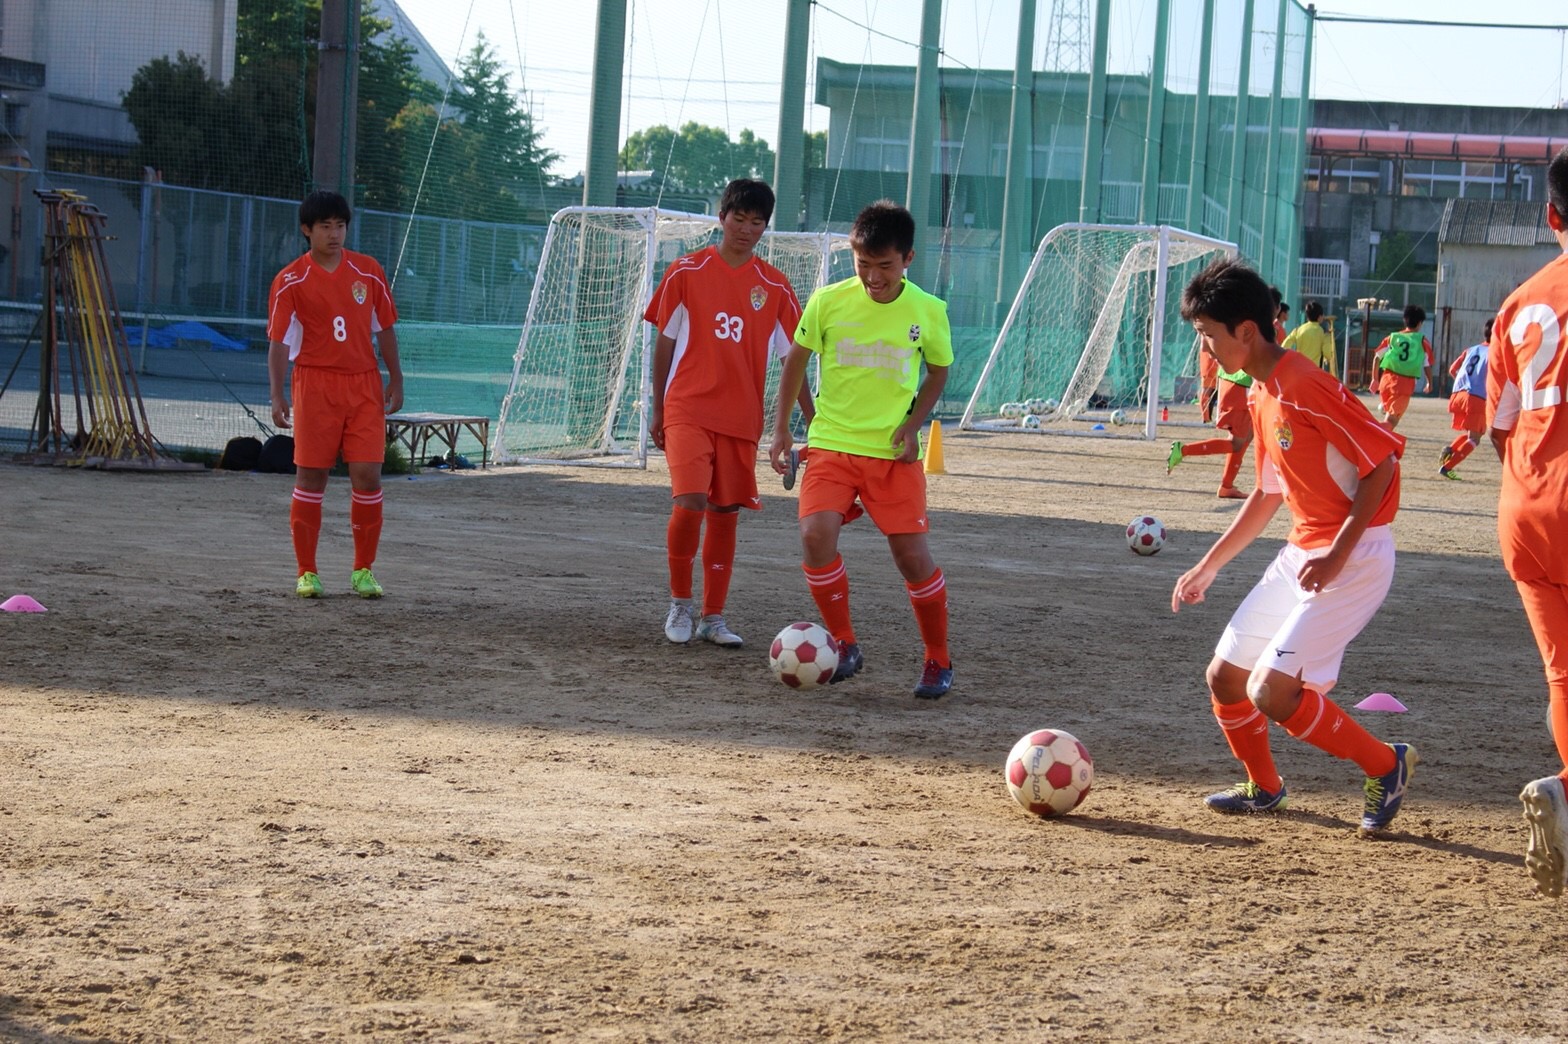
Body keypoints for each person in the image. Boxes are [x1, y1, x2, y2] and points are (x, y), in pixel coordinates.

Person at [1170, 257, 1416, 835]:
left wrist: (1337, 555)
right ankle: (1265, 787)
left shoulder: (1304, 384)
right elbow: (1266, 493)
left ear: (1245, 331)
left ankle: (1386, 764)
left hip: (1354, 558)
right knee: (1225, 678)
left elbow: (1381, 464)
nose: (1204, 348)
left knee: (1271, 691)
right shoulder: (1260, 391)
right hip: (1303, 555)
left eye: (1207, 335)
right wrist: (1208, 566)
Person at [767, 200, 955, 699]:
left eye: (884, 266)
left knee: (911, 558)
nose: (873, 276)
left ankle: (938, 658)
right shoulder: (828, 301)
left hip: (892, 453)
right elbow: (795, 361)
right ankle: (844, 643)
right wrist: (783, 428)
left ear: (908, 258)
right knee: (814, 535)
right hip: (832, 443)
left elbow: (938, 372)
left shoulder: (929, 310)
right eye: (863, 264)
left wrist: (913, 426)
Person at [643, 178, 811, 648]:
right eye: (739, 218)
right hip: (687, 407)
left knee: (724, 511)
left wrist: (814, 422)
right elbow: (664, 344)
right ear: (722, 218)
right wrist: (658, 408)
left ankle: (713, 617)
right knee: (690, 500)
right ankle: (680, 603)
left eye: (757, 222)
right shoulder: (686, 270)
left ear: (765, 228)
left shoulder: (775, 286)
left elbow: (794, 360)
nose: (746, 229)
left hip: (740, 418)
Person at [1487, 145, 1568, 898]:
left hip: (1528, 506)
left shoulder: (1517, 304)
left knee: (1563, 672)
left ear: (1551, 216)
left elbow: (1501, 427)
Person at [267, 190, 402, 599]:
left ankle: (364, 570)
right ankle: (307, 572)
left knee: (368, 474)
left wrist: (395, 378)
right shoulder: (290, 279)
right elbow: (278, 343)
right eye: (325, 226)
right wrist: (277, 394)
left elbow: (385, 328)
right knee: (311, 476)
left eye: (340, 225)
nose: (334, 234)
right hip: (315, 384)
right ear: (306, 230)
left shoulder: (369, 271)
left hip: (363, 384)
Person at [1166, 359, 1254, 501]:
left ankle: (1227, 486)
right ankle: (1183, 450)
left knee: (1247, 435)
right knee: (1237, 442)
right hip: (1244, 382)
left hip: (1232, 377)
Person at [1439, 318, 1491, 481]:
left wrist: (1464, 384)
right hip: (1476, 397)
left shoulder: (1471, 349)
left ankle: (1450, 450)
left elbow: (1452, 369)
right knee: (1475, 439)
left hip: (1458, 394)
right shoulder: (1495, 352)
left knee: (1472, 434)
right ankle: (1447, 468)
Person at [1371, 305, 1433, 429]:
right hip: (1404, 384)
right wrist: (1429, 383)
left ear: (1405, 320)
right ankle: (1369, 430)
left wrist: (1374, 379)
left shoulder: (1392, 337)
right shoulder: (1422, 341)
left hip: (1386, 381)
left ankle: (1382, 417)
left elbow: (1377, 357)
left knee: (1389, 415)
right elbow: (1427, 365)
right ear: (1420, 323)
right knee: (1391, 422)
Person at [1282, 299, 1339, 380]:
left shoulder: (1299, 329)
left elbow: (1284, 346)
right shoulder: (1321, 332)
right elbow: (1328, 354)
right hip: (1313, 372)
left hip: (1299, 370)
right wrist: (1328, 338)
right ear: (1319, 317)